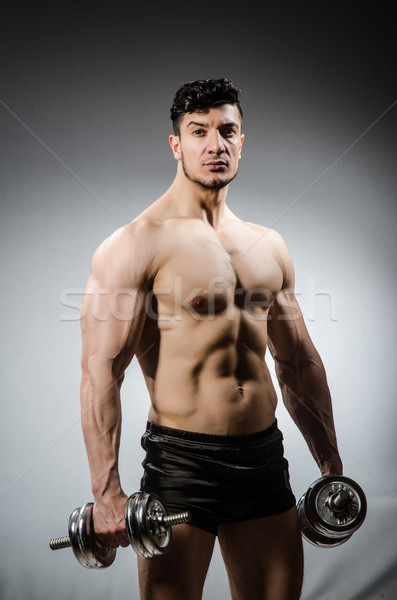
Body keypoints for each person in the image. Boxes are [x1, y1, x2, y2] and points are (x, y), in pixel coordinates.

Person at [79, 78, 343, 600]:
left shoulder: (268, 244)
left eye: (226, 131)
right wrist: (106, 491)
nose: (214, 145)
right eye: (198, 132)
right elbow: (100, 372)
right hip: (181, 465)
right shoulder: (136, 243)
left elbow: (297, 364)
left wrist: (331, 463)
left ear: (242, 140)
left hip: (263, 461)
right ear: (176, 145)